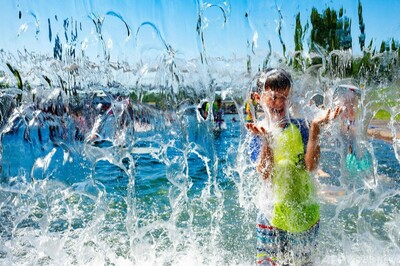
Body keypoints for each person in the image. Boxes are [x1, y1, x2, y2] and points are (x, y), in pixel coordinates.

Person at [246, 68, 343, 265]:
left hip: (304, 216)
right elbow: (265, 175)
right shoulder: (256, 133)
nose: (279, 103)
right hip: (270, 216)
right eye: (273, 96)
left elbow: (310, 167)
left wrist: (315, 129)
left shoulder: (302, 127)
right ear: (258, 98)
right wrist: (267, 141)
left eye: (284, 96)